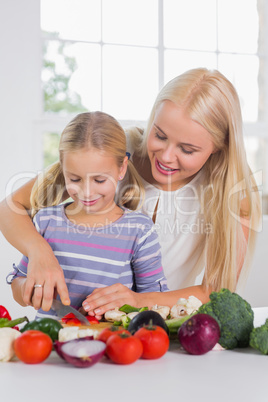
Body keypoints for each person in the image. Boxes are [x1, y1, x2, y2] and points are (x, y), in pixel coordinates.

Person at [0, 68, 261, 317]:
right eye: (159, 135)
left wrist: (139, 301)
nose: (167, 157)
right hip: (90, 323)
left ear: (218, 146)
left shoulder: (235, 193)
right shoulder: (113, 153)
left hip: (162, 331)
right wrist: (40, 253)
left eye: (187, 149)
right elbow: (10, 208)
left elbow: (216, 291)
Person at [6, 111, 168, 319]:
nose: (87, 192)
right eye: (74, 179)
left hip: (110, 344)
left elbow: (154, 300)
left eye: (99, 180)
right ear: (62, 168)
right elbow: (18, 283)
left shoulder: (139, 230)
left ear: (121, 168)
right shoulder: (45, 221)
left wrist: (126, 302)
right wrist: (29, 291)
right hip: (48, 345)